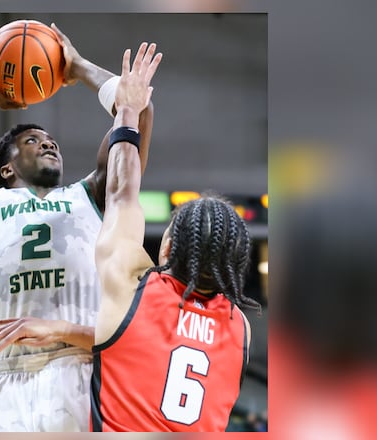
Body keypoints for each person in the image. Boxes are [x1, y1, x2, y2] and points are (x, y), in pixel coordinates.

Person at [0, 23, 155, 431]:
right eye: (32, 140)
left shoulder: (93, 194)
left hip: (83, 368)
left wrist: (78, 67)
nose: (49, 143)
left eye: (52, 142)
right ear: (6, 167)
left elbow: (136, 111)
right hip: (7, 380)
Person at [89, 45, 258, 431]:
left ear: (166, 247)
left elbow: (120, 194)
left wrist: (129, 112)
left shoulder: (129, 286)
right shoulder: (240, 329)